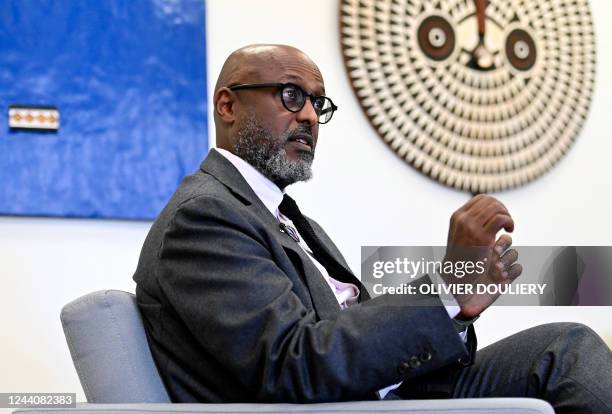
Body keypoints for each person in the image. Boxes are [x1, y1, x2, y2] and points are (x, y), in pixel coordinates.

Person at [133, 44, 612, 412]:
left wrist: (456, 310)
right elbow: (293, 362)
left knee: (561, 347)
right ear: (227, 105)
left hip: (383, 393)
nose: (308, 117)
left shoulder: (291, 219)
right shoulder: (203, 217)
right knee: (566, 352)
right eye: (291, 95)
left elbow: (349, 327)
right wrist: (443, 291)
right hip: (343, 406)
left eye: (317, 105)